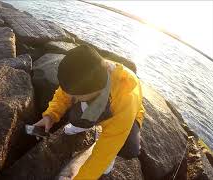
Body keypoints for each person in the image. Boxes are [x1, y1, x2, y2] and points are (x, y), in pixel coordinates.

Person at [33, 45, 145, 179]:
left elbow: (104, 153)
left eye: (76, 96)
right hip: (99, 99)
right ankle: (86, 123)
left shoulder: (126, 99)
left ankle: (102, 134)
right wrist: (50, 115)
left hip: (127, 115)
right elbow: (63, 93)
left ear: (95, 91)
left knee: (130, 149)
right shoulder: (83, 73)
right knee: (76, 116)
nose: (73, 98)